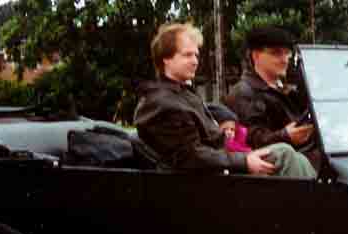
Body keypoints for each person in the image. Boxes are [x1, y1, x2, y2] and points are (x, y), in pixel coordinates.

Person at [134, 23, 315, 178]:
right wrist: (243, 160)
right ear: (166, 59)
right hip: (208, 181)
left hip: (221, 166)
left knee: (288, 153)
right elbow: (190, 156)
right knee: (284, 155)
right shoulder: (162, 103)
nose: (195, 61)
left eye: (196, 55)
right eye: (187, 55)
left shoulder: (181, 94)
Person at [226, 26, 321, 172]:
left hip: (309, 159)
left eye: (287, 53)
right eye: (276, 53)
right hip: (282, 172)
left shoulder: (284, 90)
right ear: (256, 56)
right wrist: (286, 136)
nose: (284, 59)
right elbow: (252, 140)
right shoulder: (244, 93)